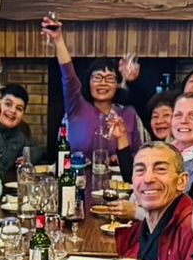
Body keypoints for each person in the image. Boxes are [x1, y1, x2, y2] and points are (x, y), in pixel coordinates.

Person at [47, 16, 139, 156]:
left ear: (117, 85)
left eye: (109, 78)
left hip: (119, 177)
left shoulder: (129, 114)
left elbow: (140, 153)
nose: (103, 82)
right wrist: (58, 40)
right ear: (88, 83)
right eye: (97, 77)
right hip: (79, 175)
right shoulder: (77, 107)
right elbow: (68, 78)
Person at [115, 143, 193, 260]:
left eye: (160, 169)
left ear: (182, 181)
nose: (148, 179)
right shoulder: (144, 227)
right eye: (140, 170)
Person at [0, 80, 36, 184]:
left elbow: (36, 149)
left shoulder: (21, 134)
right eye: (8, 104)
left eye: (19, 108)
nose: (13, 111)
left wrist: (27, 157)